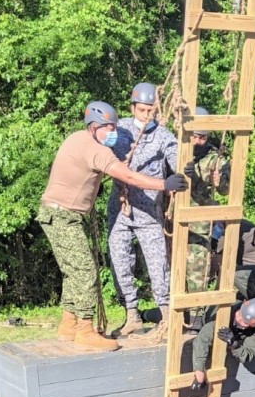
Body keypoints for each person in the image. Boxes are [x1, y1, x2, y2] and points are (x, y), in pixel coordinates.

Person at [37, 100, 186, 352]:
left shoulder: (76, 138)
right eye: (107, 128)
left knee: (73, 271)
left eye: (114, 127)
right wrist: (164, 185)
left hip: (56, 214)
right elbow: (127, 175)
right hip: (63, 216)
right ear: (94, 127)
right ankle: (85, 329)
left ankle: (69, 323)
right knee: (85, 272)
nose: (113, 133)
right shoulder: (96, 149)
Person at [107, 82, 178, 342]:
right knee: (120, 261)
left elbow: (176, 157)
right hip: (121, 210)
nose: (146, 115)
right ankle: (132, 315)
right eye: (142, 110)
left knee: (158, 265)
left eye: (151, 110)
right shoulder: (119, 129)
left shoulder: (163, 135)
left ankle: (167, 316)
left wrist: (183, 170)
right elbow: (98, 149)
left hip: (149, 212)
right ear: (133, 108)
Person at [182, 107, 231, 332]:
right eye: (195, 135)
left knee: (197, 268)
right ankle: (175, 314)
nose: (198, 141)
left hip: (199, 222)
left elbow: (224, 189)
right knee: (173, 268)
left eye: (203, 136)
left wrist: (212, 178)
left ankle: (196, 316)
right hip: (174, 218)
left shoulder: (214, 158)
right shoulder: (178, 149)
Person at [190, 297, 255, 391]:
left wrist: (234, 344)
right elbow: (203, 339)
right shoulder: (225, 311)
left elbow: (248, 354)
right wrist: (199, 371)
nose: (239, 319)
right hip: (209, 316)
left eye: (244, 322)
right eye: (240, 314)